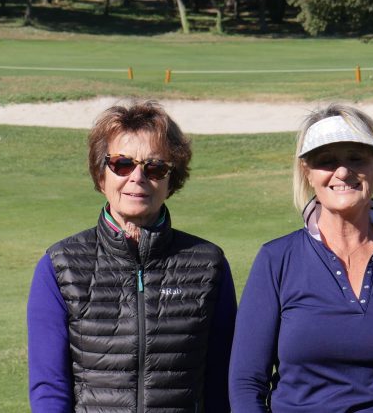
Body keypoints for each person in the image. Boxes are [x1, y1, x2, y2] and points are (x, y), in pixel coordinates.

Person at [229, 104, 373, 413]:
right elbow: (246, 383)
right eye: (327, 161)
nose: (343, 172)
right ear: (307, 173)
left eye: (356, 158)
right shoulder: (276, 259)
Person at [26, 100, 237, 413]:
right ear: (101, 175)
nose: (138, 177)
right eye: (122, 164)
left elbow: (222, 385)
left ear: (171, 180)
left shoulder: (208, 265)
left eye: (155, 167)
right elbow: (49, 389)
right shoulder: (60, 266)